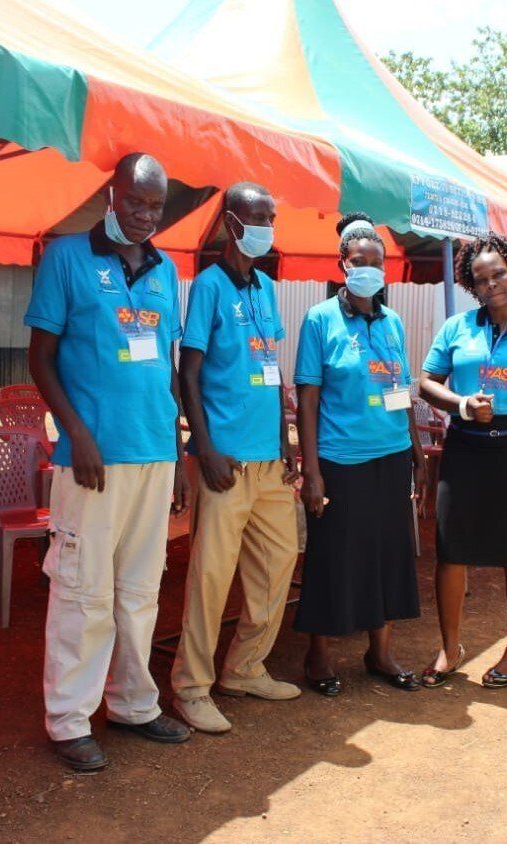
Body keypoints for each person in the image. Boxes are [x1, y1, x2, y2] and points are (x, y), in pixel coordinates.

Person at [25, 152, 193, 773]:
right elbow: (39, 357)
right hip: (90, 460)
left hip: (152, 452)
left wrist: (175, 452)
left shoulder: (165, 269)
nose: (147, 215)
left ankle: (133, 704)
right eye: (136, 201)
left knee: (139, 591)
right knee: (81, 591)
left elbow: (165, 366)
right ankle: (69, 718)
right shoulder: (67, 257)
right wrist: (77, 432)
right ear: (111, 195)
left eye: (156, 205)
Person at [170, 182, 301, 733]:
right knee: (211, 577)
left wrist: (284, 441)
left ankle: (244, 667)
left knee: (279, 563)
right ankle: (190, 686)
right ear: (230, 223)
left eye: (272, 216)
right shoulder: (209, 287)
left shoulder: (267, 288)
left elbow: (272, 372)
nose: (268, 226)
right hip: (225, 462)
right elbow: (188, 373)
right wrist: (205, 446)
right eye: (258, 217)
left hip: (268, 461)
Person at [418, 233, 507, 689]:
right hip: (465, 449)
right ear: (471, 286)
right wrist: (460, 404)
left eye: (499, 273)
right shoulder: (457, 329)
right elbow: (424, 382)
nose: (492, 284)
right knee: (451, 551)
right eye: (481, 279)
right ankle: (450, 647)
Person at [293, 212, 427, 696]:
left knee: (388, 553)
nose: (368, 268)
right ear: (342, 264)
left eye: (377, 261)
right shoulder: (320, 319)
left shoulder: (392, 321)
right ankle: (319, 654)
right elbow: (307, 396)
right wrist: (312, 471)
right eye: (359, 261)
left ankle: (381, 651)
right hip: (340, 458)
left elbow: (402, 389)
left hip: (390, 455)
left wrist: (416, 451)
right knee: (335, 556)